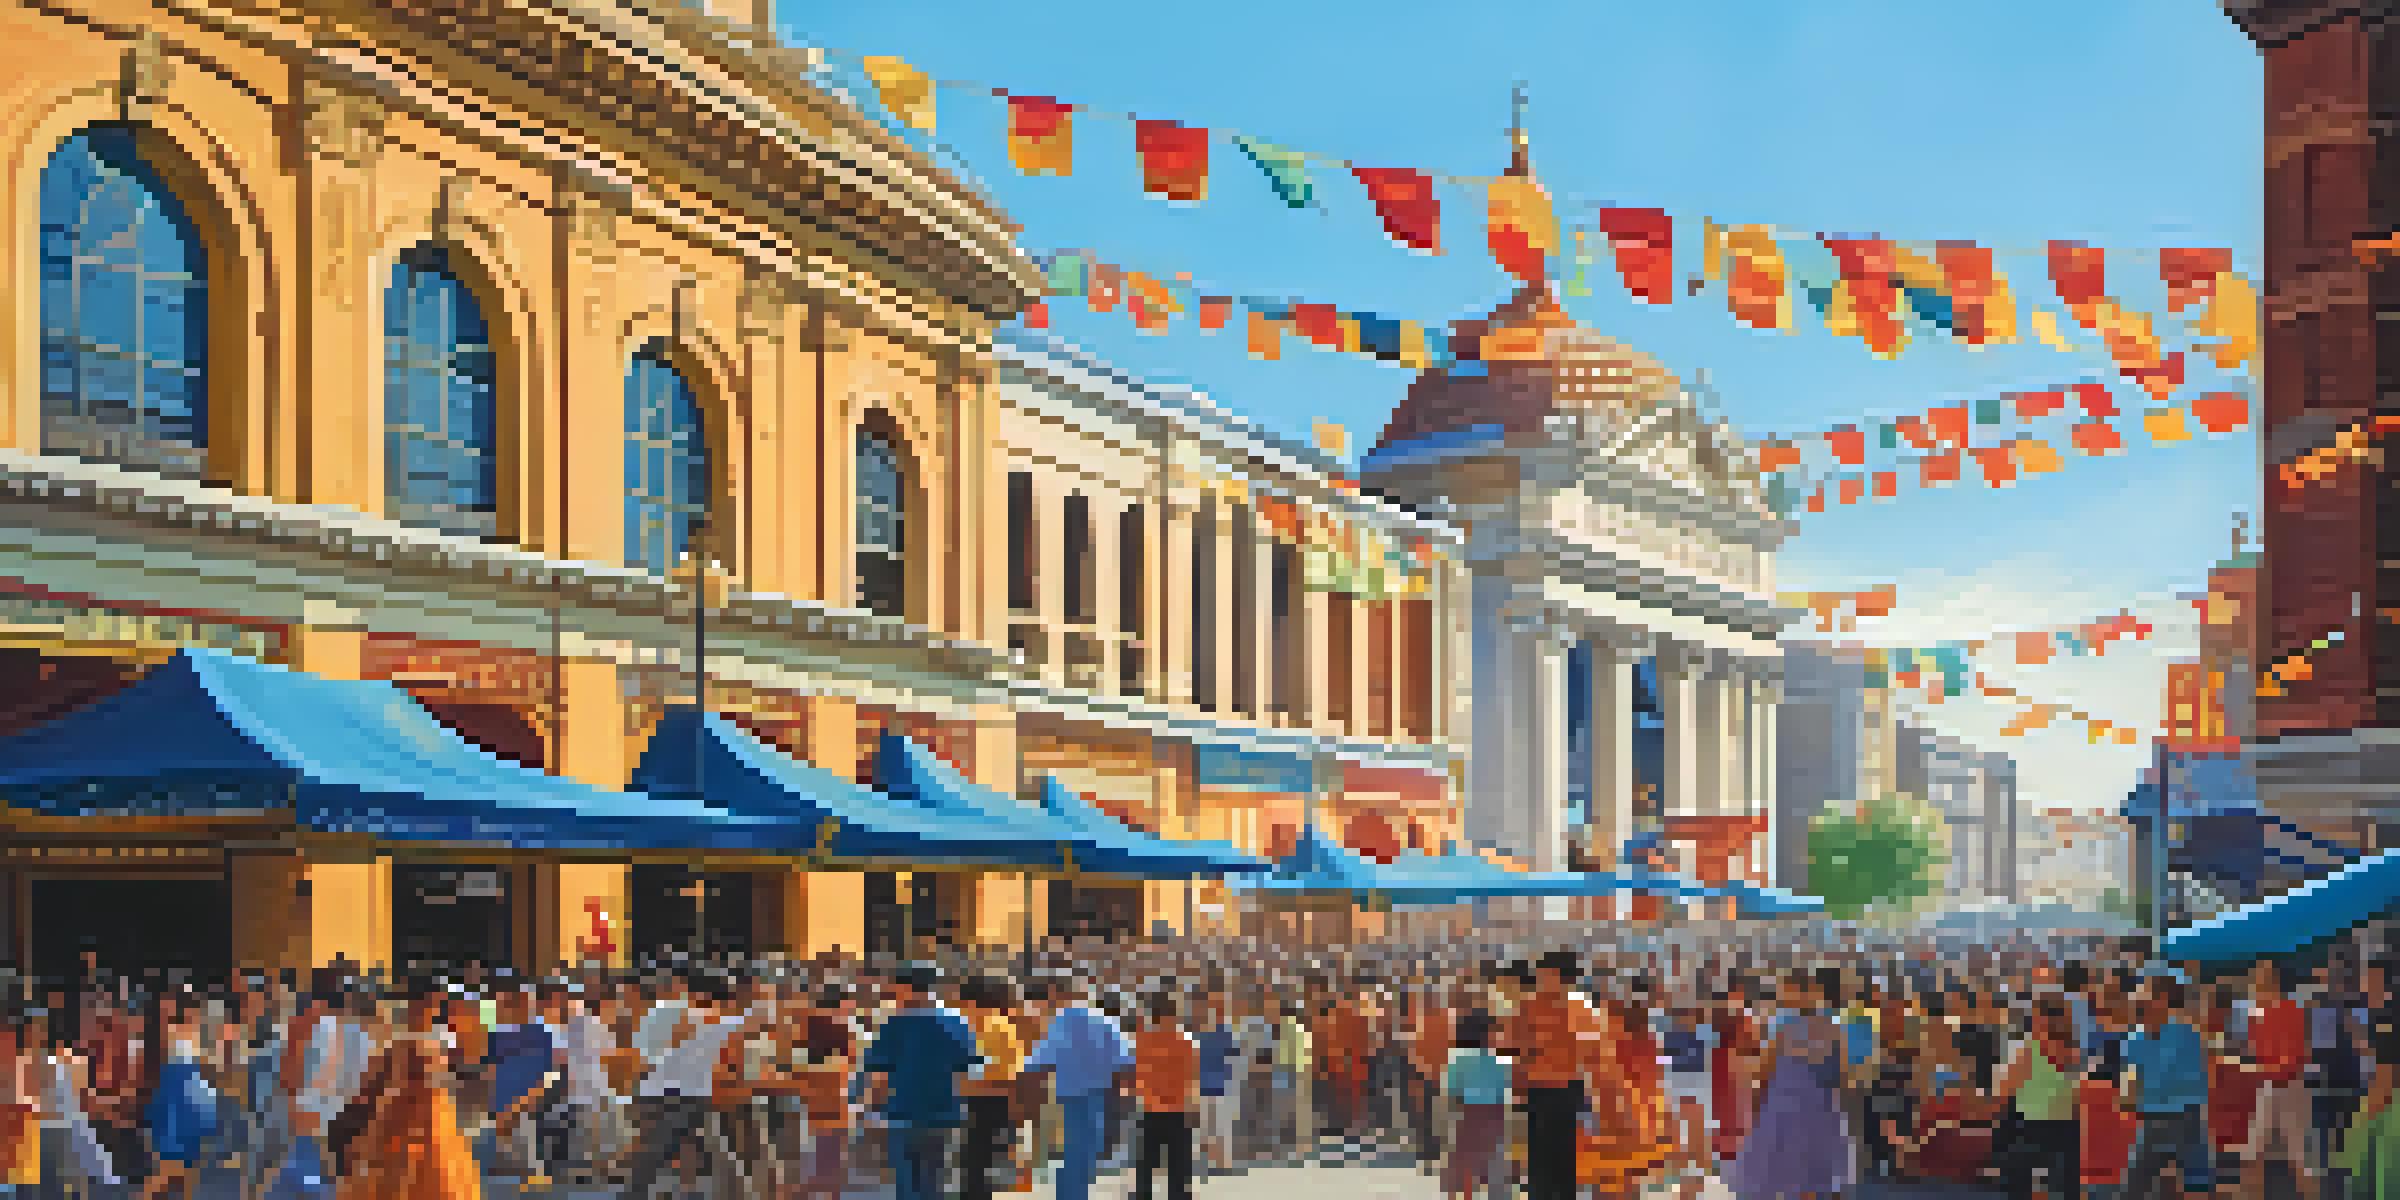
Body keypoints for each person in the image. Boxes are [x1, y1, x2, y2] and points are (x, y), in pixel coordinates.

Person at [620, 971, 753, 1200]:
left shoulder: (660, 1012)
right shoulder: (712, 1018)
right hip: (685, 1096)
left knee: (659, 1156)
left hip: (662, 1094)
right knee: (674, 1156)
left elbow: (639, 1058)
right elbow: (748, 1027)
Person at [852, 966, 979, 1200]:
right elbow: (967, 1072)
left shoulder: (894, 1024)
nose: (893, 994)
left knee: (906, 1184)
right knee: (934, 1182)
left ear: (908, 988)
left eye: (895, 989)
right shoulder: (957, 1022)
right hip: (943, 1113)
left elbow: (879, 1075)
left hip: (903, 1114)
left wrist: (870, 1112)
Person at [1725, 970, 1854, 1200]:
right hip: (1817, 1109)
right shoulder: (1833, 1027)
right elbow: (1842, 1076)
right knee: (1812, 1178)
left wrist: (1756, 1104)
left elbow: (1763, 1071)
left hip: (1787, 1110)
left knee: (1780, 1177)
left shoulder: (1784, 1027)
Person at [1019, 976, 1133, 1200]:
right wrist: (1122, 1099)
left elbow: (1035, 1066)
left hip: (1069, 1096)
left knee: (1074, 1150)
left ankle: (1068, 1194)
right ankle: (1074, 1193)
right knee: (1089, 1151)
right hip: (1102, 1095)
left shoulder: (1058, 1024)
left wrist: (1030, 1099)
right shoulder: (1107, 1021)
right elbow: (1126, 1065)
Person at [1507, 951, 1605, 1200]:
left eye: (1543, 973)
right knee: (1541, 1155)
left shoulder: (1577, 1007)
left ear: (1558, 976)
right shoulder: (1531, 1005)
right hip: (1541, 1089)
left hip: (1563, 1089)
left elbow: (1594, 1053)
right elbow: (1516, 1051)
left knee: (1561, 1154)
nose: (1539, 978)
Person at [2118, 976, 2213, 1200]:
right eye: (2138, 997)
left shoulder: (2187, 1033)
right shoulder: (2133, 1039)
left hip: (2185, 1119)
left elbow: (2190, 1082)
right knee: (2133, 1189)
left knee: (2196, 1187)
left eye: (2144, 996)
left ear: (2162, 999)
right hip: (2153, 1120)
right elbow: (2131, 1089)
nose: (2138, 1001)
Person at [1994, 992, 2082, 1200]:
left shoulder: (2028, 1050)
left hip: (2030, 1126)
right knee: (2064, 1187)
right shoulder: (2072, 1051)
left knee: (2017, 1182)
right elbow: (2076, 1098)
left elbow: (2005, 1091)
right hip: (2065, 1128)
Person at [138, 989, 221, 1200]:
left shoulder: (188, 1041)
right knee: (170, 1172)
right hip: (179, 1105)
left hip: (184, 1103)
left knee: (182, 1174)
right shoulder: (176, 1042)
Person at [955, 977, 1024, 1200]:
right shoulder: (1004, 1026)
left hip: (974, 1099)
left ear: (972, 1001)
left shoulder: (966, 1024)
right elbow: (1013, 1072)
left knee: (970, 1159)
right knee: (981, 1160)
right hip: (994, 1099)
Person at [1128, 994, 1196, 1200]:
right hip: (1178, 1112)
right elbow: (1191, 1079)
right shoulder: (1185, 1042)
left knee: (1145, 1173)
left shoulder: (1141, 1041)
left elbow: (1134, 1077)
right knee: (1179, 1175)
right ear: (1174, 1014)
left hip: (1150, 1111)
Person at [1442, 1009, 1509, 1200]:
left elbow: (1453, 1091)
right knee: (1493, 1163)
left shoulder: (1459, 1059)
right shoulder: (1498, 1058)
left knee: (1465, 1163)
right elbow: (1504, 1089)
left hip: (1468, 1113)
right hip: (1492, 1114)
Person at [1189, 992, 1239, 1180]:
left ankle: (1222, 1164)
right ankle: (1206, 1164)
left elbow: (1234, 1054)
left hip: (1219, 1085)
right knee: (1202, 1128)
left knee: (1219, 1128)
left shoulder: (1221, 1030)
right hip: (1200, 1086)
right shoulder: (1192, 1030)